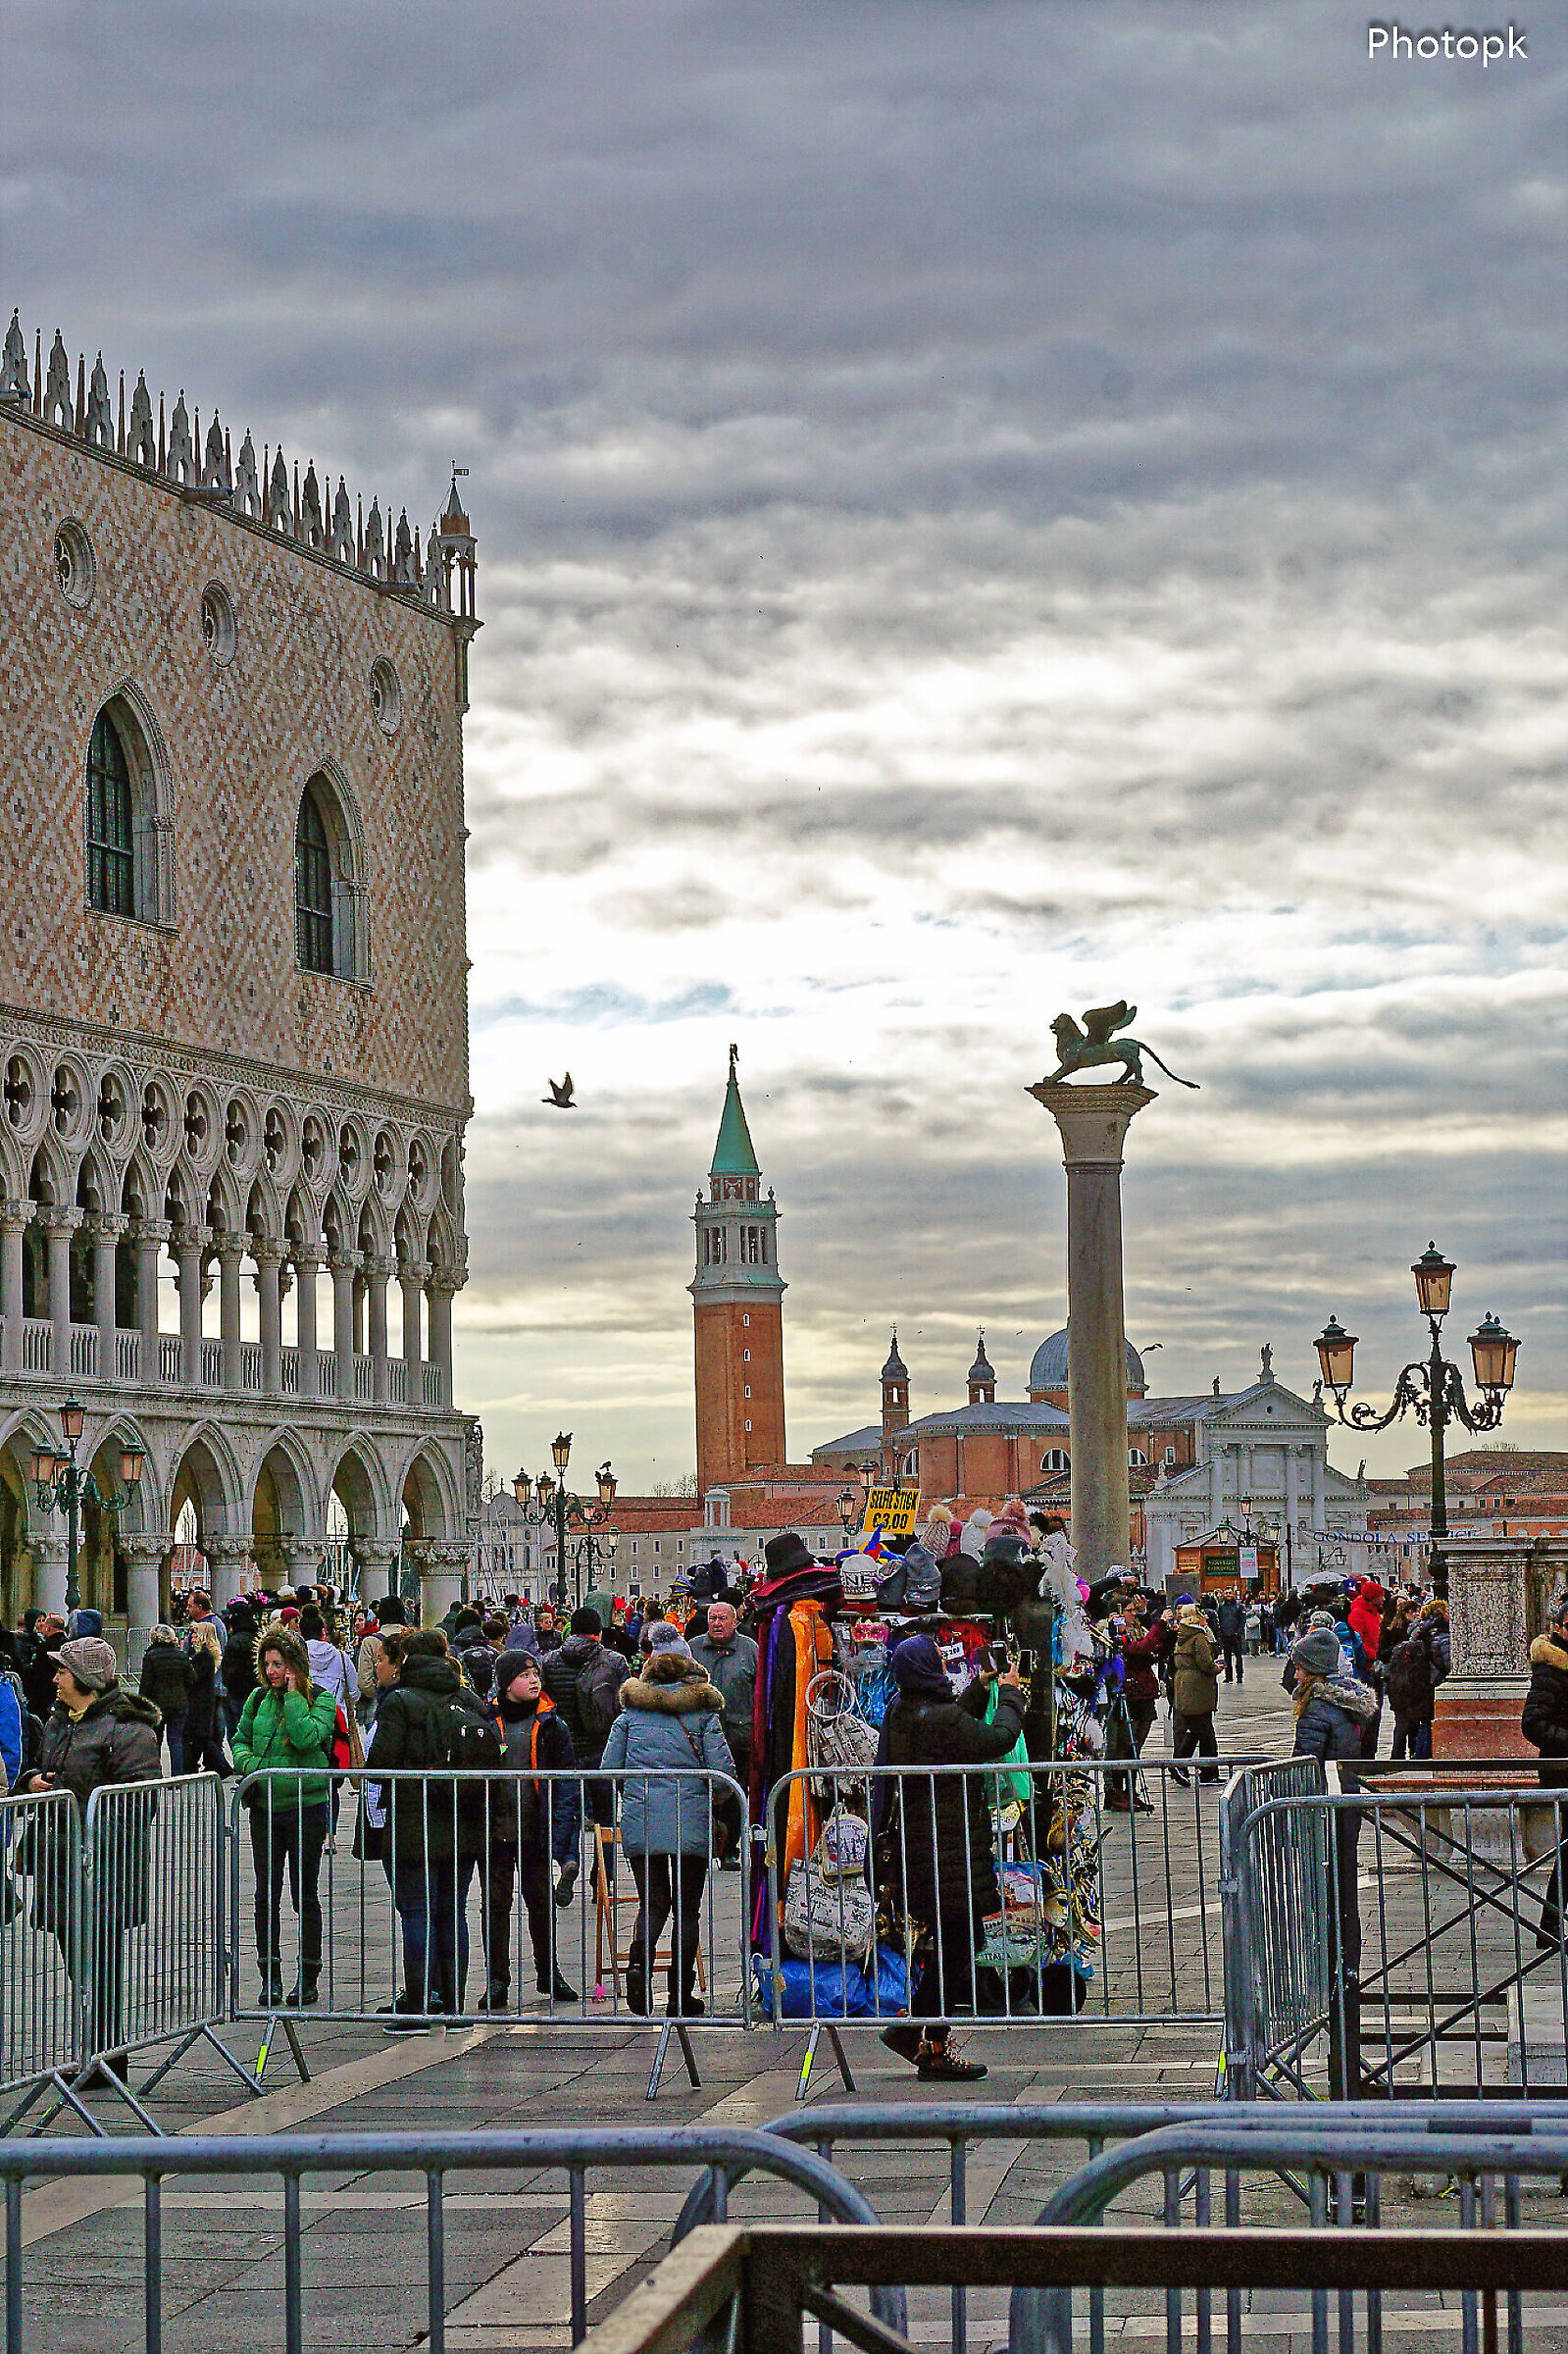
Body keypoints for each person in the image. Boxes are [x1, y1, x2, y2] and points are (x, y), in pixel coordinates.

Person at [870, 1633, 1027, 2082]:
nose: (942, 1661)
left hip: (930, 1849)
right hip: (946, 1851)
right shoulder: (933, 1718)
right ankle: (931, 2046)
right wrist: (1012, 1693)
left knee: (958, 1940)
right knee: (960, 1942)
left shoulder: (906, 1711)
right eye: (936, 1658)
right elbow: (997, 1738)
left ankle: (912, 2029)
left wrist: (981, 1686)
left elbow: (956, 1725)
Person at [19, 1635, 161, 2075]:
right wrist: (31, 1783)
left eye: (63, 1670)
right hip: (59, 1859)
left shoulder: (127, 1729)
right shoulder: (61, 1720)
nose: (56, 1678)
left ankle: (105, 2056)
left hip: (101, 1865)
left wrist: (91, 1829)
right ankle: (97, 2052)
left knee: (99, 1962)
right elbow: (46, 1770)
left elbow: (138, 1801)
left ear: (86, 1680)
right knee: (78, 1963)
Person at [365, 1627, 501, 2020]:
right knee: (452, 1911)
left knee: (417, 1911)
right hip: (464, 1822)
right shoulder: (466, 1697)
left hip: (413, 1823)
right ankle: (453, 2004)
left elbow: (378, 1767)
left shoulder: (402, 1701)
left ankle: (419, 2002)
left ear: (407, 1661)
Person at [599, 1625, 734, 2017]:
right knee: (687, 1908)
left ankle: (638, 1971)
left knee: (654, 1902)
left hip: (642, 1820)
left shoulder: (630, 1715)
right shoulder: (703, 1715)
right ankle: (680, 1993)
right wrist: (715, 1800)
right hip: (690, 1819)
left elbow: (611, 1768)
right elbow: (723, 1771)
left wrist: (636, 1796)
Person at [231, 1624, 337, 2007]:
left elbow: (308, 1737)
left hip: (306, 1807)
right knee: (266, 1893)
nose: (272, 1670)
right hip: (266, 1807)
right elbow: (240, 1737)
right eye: (267, 1663)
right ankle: (269, 1974)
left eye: (279, 1663)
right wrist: (248, 1766)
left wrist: (294, 1697)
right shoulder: (257, 1699)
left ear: (296, 1665)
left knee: (305, 1893)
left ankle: (308, 1975)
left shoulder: (321, 1701)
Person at [481, 1650, 580, 2006]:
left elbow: (567, 1779)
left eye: (535, 1673)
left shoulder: (552, 1723)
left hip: (535, 1829)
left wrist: (563, 1825)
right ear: (506, 1684)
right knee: (495, 1906)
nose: (534, 1679)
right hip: (496, 1830)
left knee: (540, 1904)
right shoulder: (488, 1721)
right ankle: (497, 1979)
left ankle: (548, 1972)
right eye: (524, 1675)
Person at [543, 1606, 629, 1837]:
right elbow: (625, 1708)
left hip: (564, 1750)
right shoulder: (615, 1662)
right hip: (603, 1748)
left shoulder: (549, 1662)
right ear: (598, 1632)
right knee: (606, 1816)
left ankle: (569, 1861)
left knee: (566, 1814)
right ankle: (605, 1871)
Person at [686, 1599, 758, 1868]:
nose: (717, 1623)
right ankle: (702, 1848)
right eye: (713, 1618)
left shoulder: (749, 1650)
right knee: (700, 1795)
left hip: (738, 1738)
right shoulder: (693, 1648)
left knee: (733, 1796)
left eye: (722, 1619)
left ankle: (729, 1849)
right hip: (699, 1739)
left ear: (734, 1621)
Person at [1521, 1591, 1568, 1953]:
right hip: (1562, 1770)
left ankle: (1550, 1926)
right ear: (1558, 1627)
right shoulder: (1551, 1669)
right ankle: (1550, 1925)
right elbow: (1533, 1724)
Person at [1170, 1605, 1220, 1784]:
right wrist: (1217, 1668)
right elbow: (1206, 1662)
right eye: (1201, 1615)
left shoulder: (1181, 1635)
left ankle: (1182, 1764)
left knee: (1197, 1729)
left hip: (1183, 1683)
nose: (1204, 1617)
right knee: (1205, 1732)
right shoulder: (1198, 1637)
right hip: (1198, 1687)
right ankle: (1196, 1768)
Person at [137, 1626, 192, 1774]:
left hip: (157, 1704)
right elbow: (191, 1679)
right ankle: (177, 1777)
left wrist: (142, 1703)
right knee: (176, 1740)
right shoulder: (181, 1655)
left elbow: (146, 1683)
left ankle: (156, 1773)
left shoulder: (150, 1656)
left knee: (156, 1740)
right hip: (179, 1702)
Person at [183, 1620, 229, 1776]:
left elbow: (193, 1677)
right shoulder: (208, 1655)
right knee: (202, 1736)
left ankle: (222, 1767)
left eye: (196, 1633)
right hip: (204, 1699)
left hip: (200, 1701)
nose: (193, 1636)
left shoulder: (203, 1656)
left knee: (202, 1736)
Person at [220, 1600, 259, 1744]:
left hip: (237, 1695)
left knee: (236, 1733)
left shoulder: (235, 1642)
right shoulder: (258, 1637)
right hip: (257, 1691)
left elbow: (229, 1672)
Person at [1216, 1587, 1244, 1685]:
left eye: (1230, 1593)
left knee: (1238, 1657)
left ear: (1233, 1594)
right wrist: (1220, 1633)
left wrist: (1238, 1632)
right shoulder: (1221, 1606)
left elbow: (1242, 1620)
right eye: (1226, 1593)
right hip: (1225, 1635)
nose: (1228, 1595)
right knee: (1227, 1657)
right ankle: (1228, 1676)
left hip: (1235, 1635)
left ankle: (1239, 1676)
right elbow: (1219, 1620)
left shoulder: (1237, 1606)